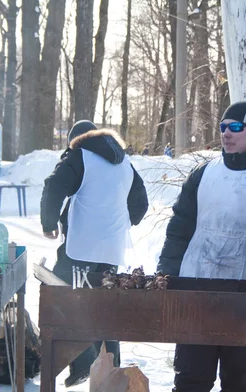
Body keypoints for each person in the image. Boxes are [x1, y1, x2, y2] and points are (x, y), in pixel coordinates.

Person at [157, 101, 246, 392]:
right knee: (191, 380)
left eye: (236, 127)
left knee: (238, 383)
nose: (227, 133)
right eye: (223, 127)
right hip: (196, 289)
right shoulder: (203, 173)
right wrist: (167, 271)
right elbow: (180, 228)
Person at [40, 120, 149, 387]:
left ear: (78, 139)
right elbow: (141, 203)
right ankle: (110, 370)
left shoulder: (80, 155)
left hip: (80, 246)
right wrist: (120, 223)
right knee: (106, 305)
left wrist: (49, 222)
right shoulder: (124, 163)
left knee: (64, 294)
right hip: (111, 250)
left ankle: (82, 362)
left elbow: (54, 186)